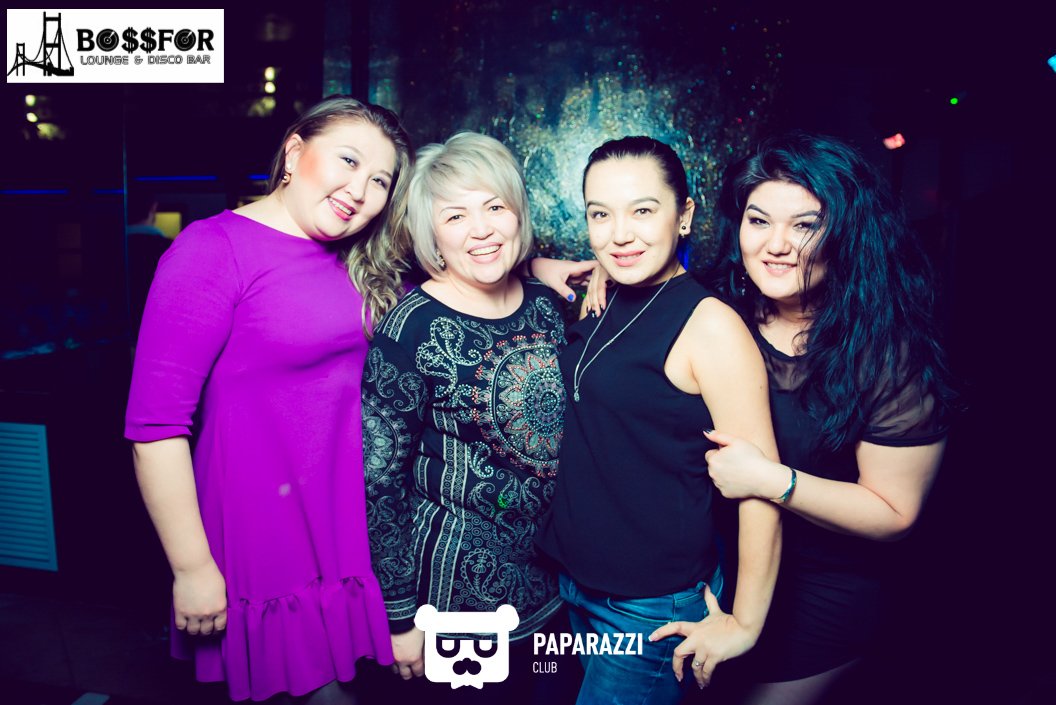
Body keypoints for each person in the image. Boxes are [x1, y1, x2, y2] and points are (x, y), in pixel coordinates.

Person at [125, 96, 415, 703]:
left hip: (346, 523)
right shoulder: (213, 249)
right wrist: (191, 568)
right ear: (293, 152)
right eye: (348, 160)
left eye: (380, 180)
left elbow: (460, 275)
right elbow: (155, 429)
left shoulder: (359, 260)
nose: (360, 190)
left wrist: (538, 271)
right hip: (265, 532)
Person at [704, 131, 954, 705]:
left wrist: (769, 479)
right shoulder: (718, 311)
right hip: (719, 576)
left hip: (822, 594)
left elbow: (895, 513)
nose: (776, 245)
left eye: (805, 225)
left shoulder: (887, 352)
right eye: (759, 221)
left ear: (847, 234)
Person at [535, 136, 782, 705]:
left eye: (643, 211)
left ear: (684, 215)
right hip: (575, 585)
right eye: (601, 215)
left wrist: (745, 622)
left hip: (648, 609)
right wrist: (559, 265)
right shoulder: (604, 296)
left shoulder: (710, 325)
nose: (620, 234)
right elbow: (510, 259)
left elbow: (760, 484)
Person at [361, 131, 572, 703]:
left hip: (553, 589)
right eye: (455, 216)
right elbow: (378, 483)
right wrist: (400, 618)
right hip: (454, 600)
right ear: (432, 236)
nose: (482, 230)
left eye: (495, 207)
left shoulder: (547, 305)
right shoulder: (411, 329)